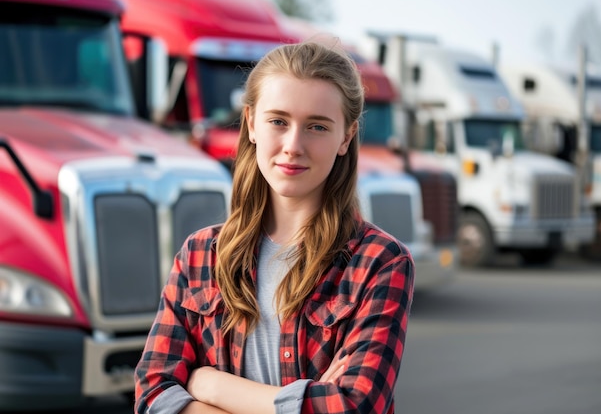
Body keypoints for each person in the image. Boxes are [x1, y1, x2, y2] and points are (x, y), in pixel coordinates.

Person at [134, 39, 415, 414]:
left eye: (317, 126)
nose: (293, 145)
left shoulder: (380, 263)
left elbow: (353, 407)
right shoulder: (199, 255)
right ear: (251, 123)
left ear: (345, 137)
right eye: (278, 121)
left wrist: (211, 384)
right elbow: (153, 394)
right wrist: (299, 402)